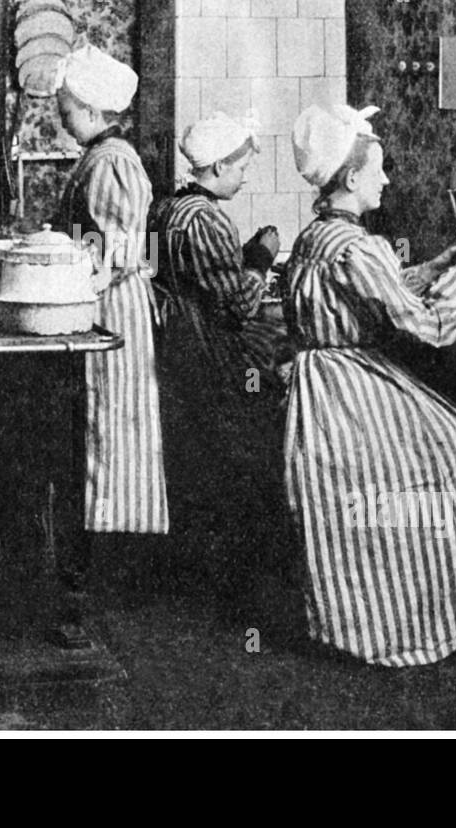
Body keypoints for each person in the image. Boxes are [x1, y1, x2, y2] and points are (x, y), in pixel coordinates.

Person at [282, 98, 456, 666]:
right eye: (378, 170)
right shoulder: (361, 248)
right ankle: (436, 621)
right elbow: (434, 327)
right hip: (353, 394)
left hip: (319, 391)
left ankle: (373, 622)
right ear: (350, 177)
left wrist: (438, 264)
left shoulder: (317, 238)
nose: (387, 179)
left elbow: (377, 288)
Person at [149, 109, 293, 598]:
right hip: (209, 347)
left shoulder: (164, 209)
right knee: (244, 440)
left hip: (172, 343)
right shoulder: (208, 220)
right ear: (214, 170)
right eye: (240, 168)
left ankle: (194, 564)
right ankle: (244, 572)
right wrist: (259, 260)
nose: (245, 177)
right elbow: (237, 306)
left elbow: (159, 271)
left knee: (194, 453)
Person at [53, 42, 167, 538]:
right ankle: (107, 540)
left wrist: (67, 266)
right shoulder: (100, 157)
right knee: (107, 423)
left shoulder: (110, 162)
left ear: (94, 110)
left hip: (114, 309)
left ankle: (114, 546)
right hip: (110, 302)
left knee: (113, 423)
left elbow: (119, 250)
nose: (61, 122)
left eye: (66, 113)